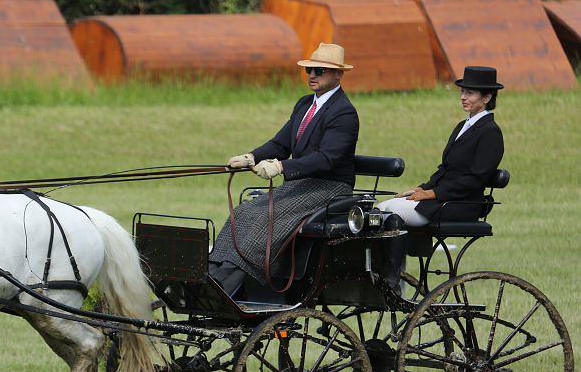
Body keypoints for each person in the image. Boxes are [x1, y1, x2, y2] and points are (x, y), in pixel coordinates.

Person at [209, 43, 359, 296]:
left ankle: (226, 283)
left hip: (330, 187)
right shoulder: (304, 105)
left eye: (319, 70)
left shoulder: (344, 112)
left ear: (338, 75)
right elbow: (281, 143)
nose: (312, 75)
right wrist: (251, 157)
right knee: (244, 211)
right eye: (309, 70)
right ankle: (212, 271)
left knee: (267, 215)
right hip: (301, 184)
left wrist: (280, 166)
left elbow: (326, 159)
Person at [378, 65, 505, 292]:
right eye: (462, 91)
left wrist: (432, 194)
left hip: (461, 203)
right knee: (382, 208)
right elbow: (445, 169)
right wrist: (420, 188)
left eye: (470, 93)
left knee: (392, 213)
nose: (463, 97)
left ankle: (393, 285)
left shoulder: (490, 132)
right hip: (442, 198)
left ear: (487, 97)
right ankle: (384, 277)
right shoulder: (462, 126)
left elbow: (475, 179)